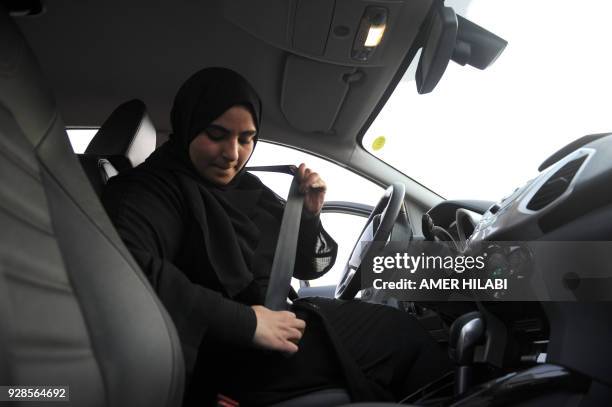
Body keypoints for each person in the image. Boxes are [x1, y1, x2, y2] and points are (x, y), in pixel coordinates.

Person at [102, 67, 450, 406]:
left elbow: (306, 267)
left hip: (276, 329)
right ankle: (496, 282)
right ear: (188, 124)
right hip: (234, 359)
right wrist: (248, 322)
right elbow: (129, 273)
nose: (233, 154)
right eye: (217, 134)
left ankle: (491, 276)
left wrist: (310, 216)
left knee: (401, 326)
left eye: (246, 138)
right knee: (405, 337)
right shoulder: (148, 190)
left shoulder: (244, 186)